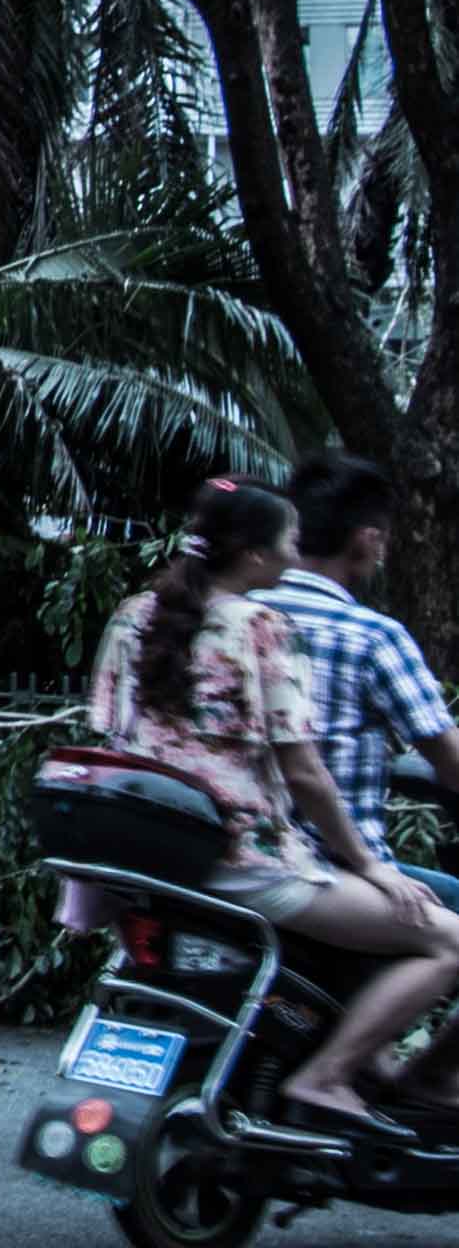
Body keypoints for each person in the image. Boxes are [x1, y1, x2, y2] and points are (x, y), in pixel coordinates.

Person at [88, 475, 459, 1131]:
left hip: (155, 855)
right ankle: (328, 1078)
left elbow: (110, 732)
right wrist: (371, 865)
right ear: (256, 554)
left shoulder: (131, 614)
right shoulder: (261, 626)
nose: (297, 551)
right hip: (247, 861)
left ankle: (351, 1062)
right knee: (447, 942)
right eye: (288, 539)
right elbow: (305, 773)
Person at [267, 454, 459, 911]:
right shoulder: (371, 637)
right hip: (336, 864)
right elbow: (449, 761)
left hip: (239, 852)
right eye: (384, 541)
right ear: (368, 539)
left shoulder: (234, 612)